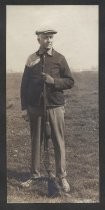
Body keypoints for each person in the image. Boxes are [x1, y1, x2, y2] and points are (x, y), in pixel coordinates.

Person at [20, 28, 74, 193]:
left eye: (51, 37)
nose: (49, 40)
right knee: (36, 142)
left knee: (58, 142)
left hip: (55, 107)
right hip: (35, 108)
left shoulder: (59, 58)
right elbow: (24, 85)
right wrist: (24, 108)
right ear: (38, 40)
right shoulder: (31, 59)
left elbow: (70, 81)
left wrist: (53, 81)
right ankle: (35, 175)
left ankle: (61, 177)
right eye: (45, 38)